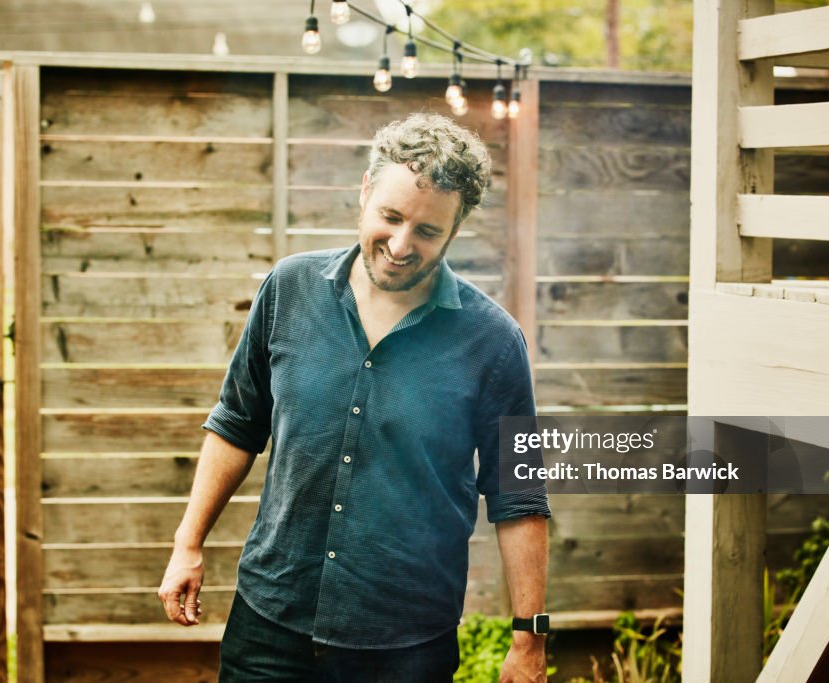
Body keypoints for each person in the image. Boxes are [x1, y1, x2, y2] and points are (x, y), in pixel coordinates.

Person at [158, 112, 551, 683]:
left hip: (405, 644)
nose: (399, 245)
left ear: (456, 230)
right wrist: (187, 543)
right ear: (365, 192)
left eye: (427, 231)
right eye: (390, 217)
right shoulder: (288, 288)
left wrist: (529, 638)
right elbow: (237, 424)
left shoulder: (491, 342)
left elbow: (518, 497)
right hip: (270, 623)